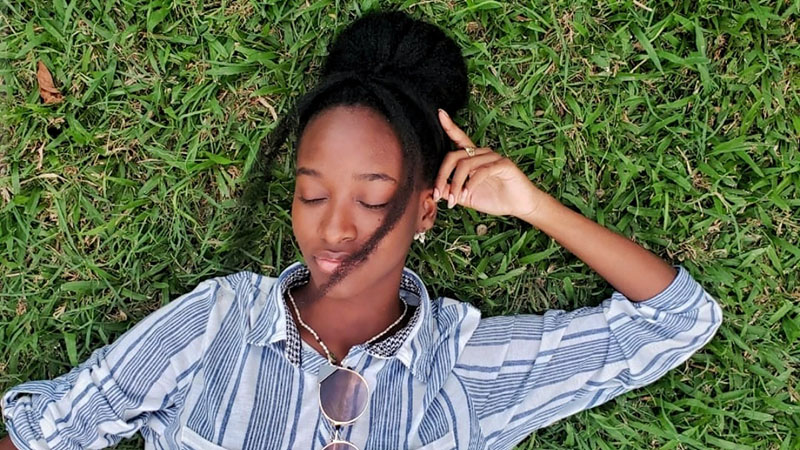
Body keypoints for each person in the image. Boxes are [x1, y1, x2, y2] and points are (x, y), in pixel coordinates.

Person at [1, 10, 722, 450]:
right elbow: (51, 432)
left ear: (425, 207)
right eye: (311, 194)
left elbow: (678, 321)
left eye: (374, 198)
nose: (334, 227)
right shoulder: (216, 322)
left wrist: (536, 207)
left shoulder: (466, 366)